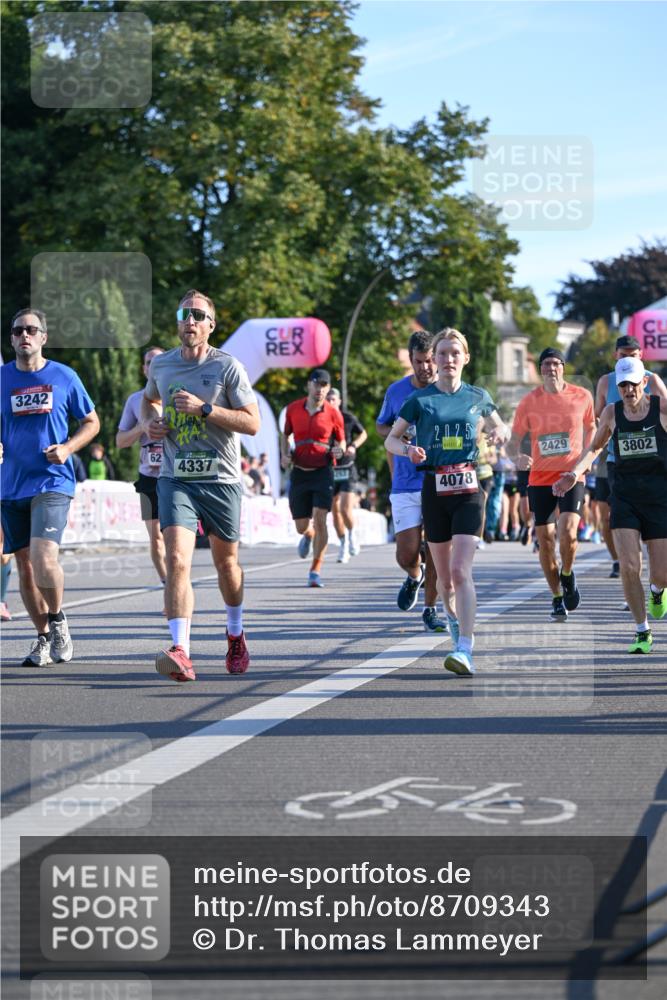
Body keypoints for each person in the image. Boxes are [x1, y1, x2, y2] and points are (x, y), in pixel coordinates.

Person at [141, 289, 260, 682]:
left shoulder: (227, 366)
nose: (189, 320)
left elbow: (252, 423)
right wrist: (151, 424)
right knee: (176, 559)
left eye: (197, 315)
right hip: (176, 477)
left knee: (227, 565)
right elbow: (148, 400)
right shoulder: (162, 365)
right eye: (184, 314)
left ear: (211, 325)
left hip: (220, 479)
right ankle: (181, 650)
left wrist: (205, 408)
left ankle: (235, 632)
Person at [385, 328, 509, 676]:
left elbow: (502, 427)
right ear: (435, 359)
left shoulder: (478, 396)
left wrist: (500, 432)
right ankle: (454, 621)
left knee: (459, 570)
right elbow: (391, 440)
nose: (448, 359)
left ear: (465, 358)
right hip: (434, 488)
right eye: (442, 353)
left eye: (455, 353)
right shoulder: (420, 400)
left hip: (468, 489)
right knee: (443, 580)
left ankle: (465, 647)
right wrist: (408, 450)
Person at [0, 308, 100, 665]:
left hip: (52, 481)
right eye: (18, 331)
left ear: (43, 337)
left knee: (43, 558)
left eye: (31, 329)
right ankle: (42, 637)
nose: (24, 335)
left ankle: (57, 620)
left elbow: (91, 421)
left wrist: (69, 448)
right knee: (26, 568)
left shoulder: (64, 376)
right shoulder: (1, 378)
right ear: (12, 339)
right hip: (11, 486)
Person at [554, 357, 667, 654]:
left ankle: (657, 591)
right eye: (623, 385)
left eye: (634, 383)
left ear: (645, 382)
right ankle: (642, 631)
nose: (628, 390)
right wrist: (574, 473)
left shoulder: (661, 409)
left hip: (659, 497)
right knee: (629, 566)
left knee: (661, 574)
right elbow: (595, 447)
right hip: (625, 495)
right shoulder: (612, 412)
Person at [507, 347, 596, 623]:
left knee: (568, 532)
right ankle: (557, 597)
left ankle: (567, 574)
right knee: (545, 541)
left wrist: (587, 458)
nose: (551, 368)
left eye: (556, 363)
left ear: (563, 368)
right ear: (541, 369)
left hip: (571, 476)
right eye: (546, 364)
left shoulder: (582, 396)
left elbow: (592, 429)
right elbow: (512, 442)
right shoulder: (529, 402)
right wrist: (516, 457)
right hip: (540, 479)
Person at [376, 330, 450, 634]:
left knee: (435, 550)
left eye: (430, 360)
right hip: (405, 483)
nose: (426, 367)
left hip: (437, 480)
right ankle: (413, 575)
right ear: (411, 360)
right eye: (419, 361)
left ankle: (431, 609)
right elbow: (381, 427)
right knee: (406, 554)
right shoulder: (396, 392)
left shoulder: (446, 389)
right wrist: (398, 433)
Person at [594, 334, 667, 580]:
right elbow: (596, 417)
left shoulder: (652, 379)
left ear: (641, 356)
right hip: (615, 460)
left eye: (633, 356)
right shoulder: (606, 382)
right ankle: (623, 561)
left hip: (653, 464)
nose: (628, 359)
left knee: (653, 529)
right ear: (615, 356)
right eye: (623, 356)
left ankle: (655, 574)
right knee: (612, 514)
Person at [280, 369, 345, 588]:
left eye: (325, 385)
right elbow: (285, 435)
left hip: (323, 471)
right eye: (317, 384)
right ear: (309, 385)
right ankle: (308, 534)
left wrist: (339, 450)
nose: (320, 389)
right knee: (301, 526)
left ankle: (315, 570)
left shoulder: (333, 413)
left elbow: (341, 441)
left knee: (320, 518)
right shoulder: (293, 409)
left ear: (328, 388)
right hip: (300, 471)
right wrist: (284, 455)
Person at [116, 346, 167, 587]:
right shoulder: (135, 400)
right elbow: (120, 441)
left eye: (158, 361)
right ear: (144, 369)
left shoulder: (179, 395)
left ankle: (178, 578)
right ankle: (167, 581)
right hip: (148, 477)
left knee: (176, 536)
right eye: (149, 362)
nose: (153, 366)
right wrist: (142, 427)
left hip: (177, 475)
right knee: (156, 537)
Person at [326, 386, 367, 563]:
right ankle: (343, 544)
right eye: (328, 399)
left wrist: (353, 446)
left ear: (339, 401)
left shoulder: (348, 418)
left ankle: (352, 534)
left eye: (333, 399)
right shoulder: (320, 419)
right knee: (334, 511)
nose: (330, 402)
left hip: (347, 467)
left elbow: (363, 433)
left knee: (344, 508)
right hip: (330, 469)